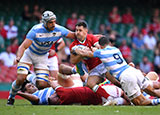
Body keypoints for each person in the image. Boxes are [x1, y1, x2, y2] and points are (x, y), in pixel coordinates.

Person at [7, 10, 76, 105]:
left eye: (54, 21)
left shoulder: (58, 29)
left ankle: (29, 76)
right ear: (44, 23)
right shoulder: (35, 30)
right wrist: (19, 57)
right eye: (50, 22)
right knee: (20, 79)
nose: (53, 24)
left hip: (42, 57)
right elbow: (23, 46)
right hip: (29, 54)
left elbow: (74, 35)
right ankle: (11, 97)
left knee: (42, 84)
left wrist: (89, 37)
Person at [75, 35, 160, 106]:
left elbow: (85, 54)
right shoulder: (116, 49)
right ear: (109, 43)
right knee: (153, 91)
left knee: (139, 103)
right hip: (132, 71)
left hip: (125, 76)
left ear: (100, 46)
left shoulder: (101, 52)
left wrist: (75, 49)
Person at [70, 21, 120, 102]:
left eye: (80, 30)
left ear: (86, 31)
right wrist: (81, 54)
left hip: (103, 64)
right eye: (76, 30)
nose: (77, 32)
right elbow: (73, 61)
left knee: (116, 82)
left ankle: (132, 97)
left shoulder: (91, 38)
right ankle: (110, 99)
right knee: (90, 84)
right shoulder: (73, 45)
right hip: (93, 69)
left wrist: (90, 51)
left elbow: (98, 47)